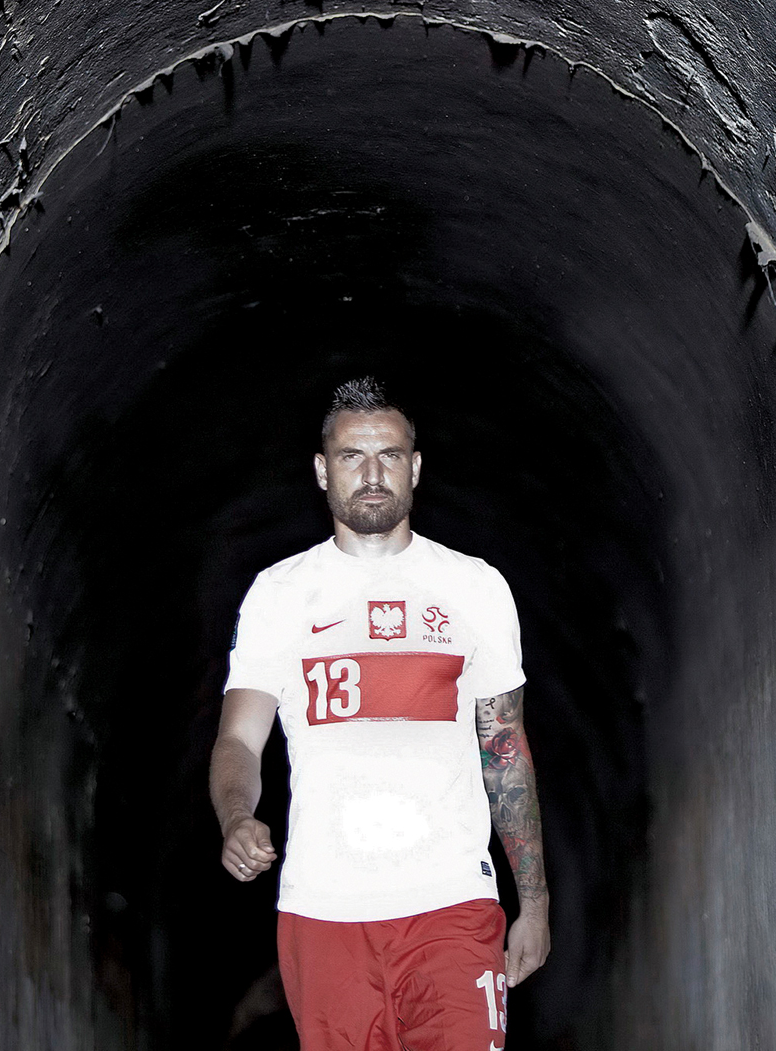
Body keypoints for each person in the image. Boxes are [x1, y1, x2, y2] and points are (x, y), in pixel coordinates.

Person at [209, 378, 549, 1050]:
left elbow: (505, 749)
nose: (371, 474)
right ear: (322, 469)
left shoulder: (474, 587)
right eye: (351, 456)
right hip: (323, 911)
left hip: (452, 903)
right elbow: (239, 740)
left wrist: (533, 902)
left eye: (389, 455)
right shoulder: (280, 595)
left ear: (414, 467)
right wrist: (236, 816)